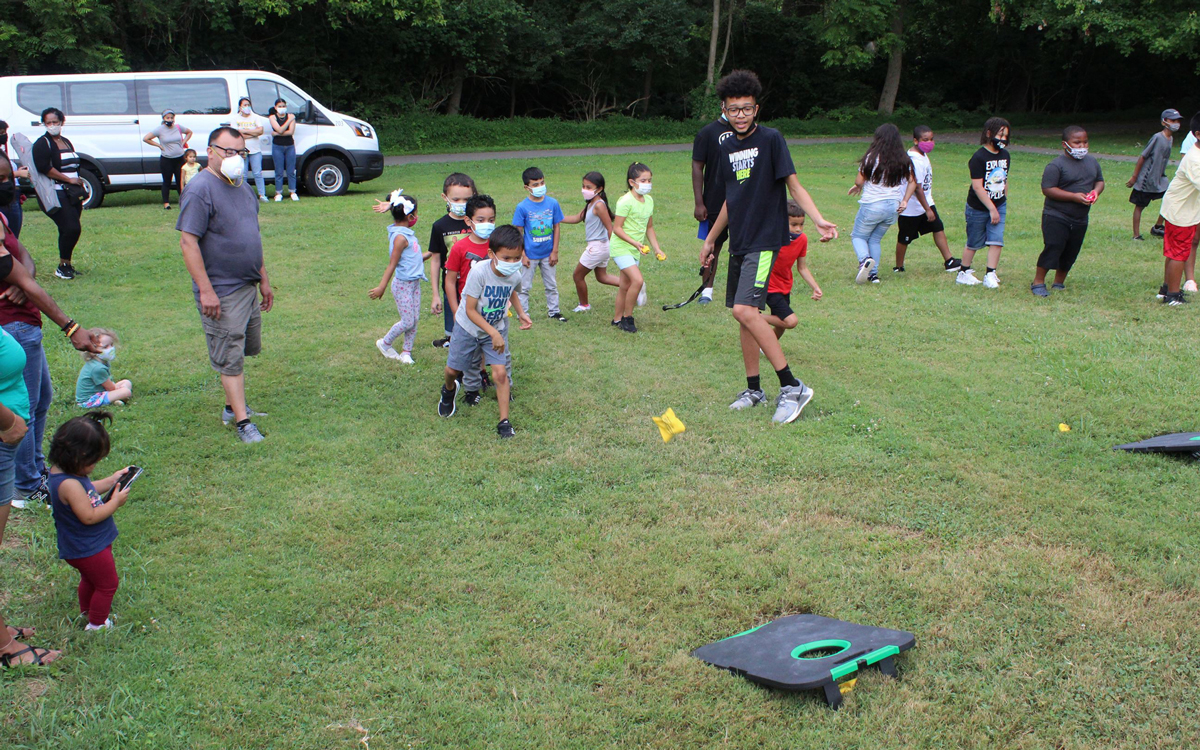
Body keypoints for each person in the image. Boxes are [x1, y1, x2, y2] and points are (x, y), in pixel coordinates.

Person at [700, 69, 837, 425]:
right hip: (740, 240)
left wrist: (819, 218)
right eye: (734, 109)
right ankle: (753, 389)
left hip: (764, 239)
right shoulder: (727, 146)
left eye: (746, 108)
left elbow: (794, 185)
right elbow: (732, 199)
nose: (741, 115)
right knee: (745, 318)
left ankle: (792, 387)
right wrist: (712, 239)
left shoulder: (772, 140)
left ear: (756, 109)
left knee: (744, 311)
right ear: (724, 110)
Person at [0, 155, 100, 514]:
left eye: (8, 176)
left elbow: (24, 259)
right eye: (1, 179)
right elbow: (26, 277)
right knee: (22, 407)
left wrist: (19, 278)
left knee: (42, 397)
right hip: (10, 327)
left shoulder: (2, 218)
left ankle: (34, 470)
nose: (8, 184)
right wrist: (72, 328)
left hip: (25, 321)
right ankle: (25, 486)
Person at [177, 127, 275, 443]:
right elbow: (188, 242)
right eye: (229, 151)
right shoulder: (199, 189)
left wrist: (264, 279)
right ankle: (243, 423)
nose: (236, 158)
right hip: (222, 289)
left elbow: (252, 236)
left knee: (242, 349)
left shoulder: (243, 188)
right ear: (211, 151)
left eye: (241, 152)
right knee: (229, 354)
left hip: (247, 285)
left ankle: (233, 407)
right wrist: (206, 289)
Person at [437, 225, 532, 438]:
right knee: (453, 370)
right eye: (506, 258)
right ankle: (449, 390)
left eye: (516, 258)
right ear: (492, 254)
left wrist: (521, 313)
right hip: (468, 327)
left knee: (500, 373)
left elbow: (512, 293)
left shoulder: (515, 274)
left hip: (494, 327)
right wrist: (493, 333)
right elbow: (469, 310)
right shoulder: (479, 272)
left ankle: (504, 421)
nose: (511, 263)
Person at [48, 412, 133, 632]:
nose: (94, 466)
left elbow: (88, 489)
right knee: (107, 584)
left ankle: (87, 611)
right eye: (93, 461)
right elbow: (89, 516)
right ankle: (97, 624)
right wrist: (115, 503)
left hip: (86, 545)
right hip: (87, 547)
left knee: (91, 580)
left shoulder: (64, 474)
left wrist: (113, 480)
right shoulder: (68, 484)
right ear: (79, 456)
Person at [1030, 126, 1105, 297]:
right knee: (1053, 247)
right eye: (1077, 143)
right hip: (1056, 215)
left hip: (1080, 217)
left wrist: (1096, 192)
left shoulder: (1092, 162)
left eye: (1085, 142)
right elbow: (1048, 189)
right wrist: (1073, 196)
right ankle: (1038, 282)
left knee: (1071, 250)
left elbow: (1099, 181)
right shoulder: (1056, 165)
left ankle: (1059, 282)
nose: (1082, 146)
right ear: (1065, 144)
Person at [445, 194, 500, 404]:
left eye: (491, 220)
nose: (487, 224)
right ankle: (471, 388)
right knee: (468, 350)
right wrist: (454, 307)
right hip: (467, 310)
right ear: (468, 221)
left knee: (489, 344)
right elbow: (450, 280)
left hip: (491, 309)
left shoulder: (498, 244)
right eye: (481, 220)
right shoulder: (459, 247)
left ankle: (487, 376)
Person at [848, 123, 916, 284]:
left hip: (872, 204)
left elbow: (859, 180)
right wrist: (905, 200)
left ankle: (864, 260)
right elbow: (913, 182)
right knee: (875, 239)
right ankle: (873, 274)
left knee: (858, 236)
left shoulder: (872, 157)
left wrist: (859, 186)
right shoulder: (903, 159)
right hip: (893, 206)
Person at [370, 191, 429, 365]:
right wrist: (381, 286)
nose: (417, 217)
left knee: (415, 319)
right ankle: (385, 343)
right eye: (416, 214)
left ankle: (406, 352)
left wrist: (432, 253)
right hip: (403, 285)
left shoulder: (406, 234)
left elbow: (413, 258)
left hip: (414, 283)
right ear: (410, 216)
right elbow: (392, 264)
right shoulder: (400, 238)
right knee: (408, 320)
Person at [894, 125, 960, 274]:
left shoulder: (922, 155)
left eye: (931, 139)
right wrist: (927, 209)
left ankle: (949, 260)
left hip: (926, 201)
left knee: (938, 227)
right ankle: (899, 266)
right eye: (925, 140)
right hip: (911, 207)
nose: (929, 142)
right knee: (904, 238)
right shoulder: (914, 159)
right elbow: (916, 187)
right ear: (916, 141)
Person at [416, 173, 472, 348]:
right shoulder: (440, 226)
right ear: (445, 198)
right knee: (453, 318)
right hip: (451, 283)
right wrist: (435, 295)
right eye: (456, 199)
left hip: (475, 281)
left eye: (467, 199)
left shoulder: (477, 223)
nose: (462, 204)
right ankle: (451, 339)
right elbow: (435, 259)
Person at [957, 117, 1012, 288]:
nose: (1002, 140)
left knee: (997, 240)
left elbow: (1004, 180)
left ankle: (990, 273)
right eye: (999, 135)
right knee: (974, 241)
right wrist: (991, 208)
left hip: (999, 204)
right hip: (978, 207)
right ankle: (963, 272)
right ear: (989, 134)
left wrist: (1002, 202)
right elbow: (978, 187)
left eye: (1005, 136)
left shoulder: (1005, 155)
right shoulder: (979, 157)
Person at [31, 107, 85, 280]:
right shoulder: (43, 143)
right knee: (71, 227)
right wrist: (67, 179)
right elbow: (44, 168)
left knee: (70, 229)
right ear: (44, 124)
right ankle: (62, 265)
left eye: (55, 122)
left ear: (62, 122)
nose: (52, 125)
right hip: (56, 192)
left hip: (72, 193)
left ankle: (66, 264)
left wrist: (76, 180)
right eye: (49, 123)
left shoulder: (66, 141)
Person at [609, 162, 663, 332]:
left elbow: (649, 227)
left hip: (635, 249)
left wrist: (657, 249)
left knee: (625, 286)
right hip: (621, 248)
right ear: (632, 182)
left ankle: (617, 319)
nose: (647, 184)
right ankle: (627, 318)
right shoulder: (625, 201)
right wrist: (635, 243)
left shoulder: (649, 201)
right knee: (637, 280)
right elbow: (616, 228)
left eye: (649, 180)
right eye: (643, 180)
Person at [1156, 112, 1200, 306]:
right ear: (1198, 135)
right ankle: (1173, 296)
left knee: (1175, 251)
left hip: (1182, 210)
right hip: (1180, 212)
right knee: (1179, 253)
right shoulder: (1195, 160)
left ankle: (1166, 290)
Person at [513, 167, 567, 322]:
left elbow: (556, 226)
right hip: (529, 254)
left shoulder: (552, 203)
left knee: (551, 285)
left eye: (542, 183)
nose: (540, 187)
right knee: (524, 287)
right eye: (535, 184)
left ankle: (554, 311)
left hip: (548, 253)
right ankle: (523, 314)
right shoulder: (522, 207)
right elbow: (518, 232)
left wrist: (555, 251)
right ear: (527, 187)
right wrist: (522, 255)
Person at [692, 108, 735, 303]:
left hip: (744, 199)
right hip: (715, 198)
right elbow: (697, 166)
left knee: (743, 247)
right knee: (713, 246)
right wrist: (699, 202)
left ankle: (742, 292)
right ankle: (706, 291)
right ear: (723, 105)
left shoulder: (751, 132)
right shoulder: (707, 133)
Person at [560, 171, 618, 313]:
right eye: (583, 186)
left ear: (599, 189)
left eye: (588, 187)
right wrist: (556, 218)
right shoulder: (591, 204)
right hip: (601, 247)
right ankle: (634, 285)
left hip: (597, 247)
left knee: (577, 275)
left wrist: (617, 251)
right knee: (602, 277)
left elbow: (610, 228)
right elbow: (576, 218)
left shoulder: (599, 205)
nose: (584, 190)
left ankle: (584, 305)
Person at [764, 201, 821, 339]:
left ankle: (765, 348)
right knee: (790, 321)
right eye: (794, 225)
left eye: (801, 224)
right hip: (769, 287)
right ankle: (753, 317)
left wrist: (815, 287)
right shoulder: (773, 237)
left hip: (784, 286)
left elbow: (802, 267)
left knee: (780, 324)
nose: (798, 229)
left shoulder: (802, 239)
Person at [1127, 109, 1181, 241]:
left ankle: (1158, 227)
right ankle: (1136, 235)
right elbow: (1143, 157)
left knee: (1170, 198)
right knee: (1140, 206)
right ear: (1164, 122)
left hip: (1160, 178)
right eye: (1173, 120)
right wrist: (1135, 177)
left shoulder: (1170, 138)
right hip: (1147, 179)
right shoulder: (1157, 137)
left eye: (1177, 121)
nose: (1176, 123)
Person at [142, 109, 192, 210]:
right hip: (167, 159)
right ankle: (166, 203)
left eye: (171, 117)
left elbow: (189, 132)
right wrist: (159, 145)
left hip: (180, 158)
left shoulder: (178, 127)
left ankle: (183, 201)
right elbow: (146, 138)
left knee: (180, 181)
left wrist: (183, 142)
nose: (170, 119)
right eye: (167, 118)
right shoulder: (160, 129)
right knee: (167, 181)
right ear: (164, 119)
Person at [75, 329, 132, 407]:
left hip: (101, 392)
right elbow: (111, 388)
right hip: (90, 400)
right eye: (105, 347)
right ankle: (118, 398)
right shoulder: (97, 368)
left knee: (126, 382)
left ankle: (116, 399)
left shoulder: (101, 361)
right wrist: (119, 389)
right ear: (92, 350)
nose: (111, 348)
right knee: (126, 391)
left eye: (111, 344)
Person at [233, 96, 268, 202]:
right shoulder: (235, 118)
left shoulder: (255, 117)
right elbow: (236, 134)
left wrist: (244, 131)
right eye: (245, 105)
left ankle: (262, 195)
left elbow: (260, 131)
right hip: (241, 150)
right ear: (240, 107)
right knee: (242, 174)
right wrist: (253, 133)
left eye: (248, 105)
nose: (247, 107)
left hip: (255, 149)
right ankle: (242, 195)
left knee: (257, 173)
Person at [0, 120, 26, 238]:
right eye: (0, 133)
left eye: (4, 132)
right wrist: (19, 173)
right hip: (4, 198)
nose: (3, 136)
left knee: (14, 237)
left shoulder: (2, 152)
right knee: (9, 237)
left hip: (14, 195)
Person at [269, 98, 298, 201]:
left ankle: (292, 191)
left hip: (289, 145)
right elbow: (280, 129)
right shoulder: (273, 117)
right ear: (275, 108)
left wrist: (277, 133)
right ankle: (278, 193)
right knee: (279, 171)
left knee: (291, 170)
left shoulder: (290, 116)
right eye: (279, 106)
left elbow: (290, 132)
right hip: (277, 146)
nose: (282, 108)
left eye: (283, 106)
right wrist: (289, 120)